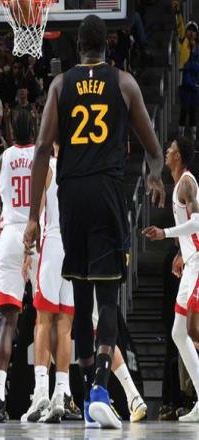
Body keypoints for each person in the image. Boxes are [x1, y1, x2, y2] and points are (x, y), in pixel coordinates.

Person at [23, 15, 165, 429]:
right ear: (108, 46)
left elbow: (42, 149)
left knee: (80, 301)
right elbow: (153, 147)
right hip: (107, 193)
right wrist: (154, 176)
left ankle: (89, 397)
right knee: (107, 299)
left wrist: (33, 217)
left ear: (77, 47)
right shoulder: (124, 83)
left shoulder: (59, 85)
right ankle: (101, 389)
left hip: (70, 196)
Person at [0, 108, 37, 423]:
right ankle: (46, 394)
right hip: (37, 235)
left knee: (7, 322)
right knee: (47, 319)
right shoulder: (44, 157)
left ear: (11, 130)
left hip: (11, 236)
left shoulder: (1, 160)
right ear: (36, 127)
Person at [143, 137, 199, 421]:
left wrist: (165, 234)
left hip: (198, 262)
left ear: (179, 156)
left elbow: (197, 223)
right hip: (190, 262)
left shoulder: (187, 183)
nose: (166, 152)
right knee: (179, 333)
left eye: (170, 149)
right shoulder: (178, 186)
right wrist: (180, 252)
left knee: (192, 330)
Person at [20, 142, 75, 424]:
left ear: (54, 143)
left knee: (42, 321)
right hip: (75, 249)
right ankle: (61, 394)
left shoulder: (48, 167)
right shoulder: (80, 168)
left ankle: (41, 391)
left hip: (53, 244)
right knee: (65, 326)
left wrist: (28, 251)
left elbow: (36, 214)